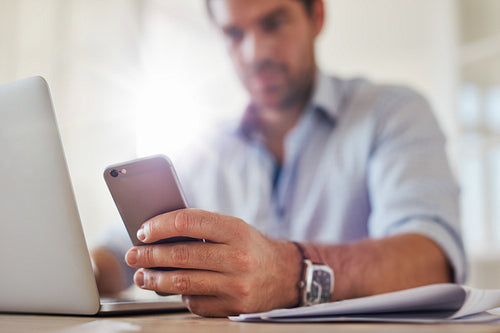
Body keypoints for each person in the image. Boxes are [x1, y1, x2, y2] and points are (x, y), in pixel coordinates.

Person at [91, 0, 466, 317]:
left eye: (274, 22)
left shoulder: (393, 114)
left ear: (316, 15)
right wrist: (82, 271)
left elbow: (431, 260)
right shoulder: (202, 151)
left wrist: (289, 272)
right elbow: (118, 251)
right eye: (235, 34)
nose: (256, 53)